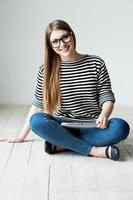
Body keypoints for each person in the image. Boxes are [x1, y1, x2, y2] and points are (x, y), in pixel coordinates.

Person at [1, 19, 130, 160]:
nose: (62, 44)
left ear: (72, 35)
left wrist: (104, 114)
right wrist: (21, 136)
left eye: (65, 37)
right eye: (55, 41)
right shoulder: (46, 70)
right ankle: (94, 151)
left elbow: (106, 96)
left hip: (93, 126)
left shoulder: (95, 63)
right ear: (50, 46)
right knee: (36, 120)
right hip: (62, 127)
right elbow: (37, 106)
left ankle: (62, 144)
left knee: (121, 127)